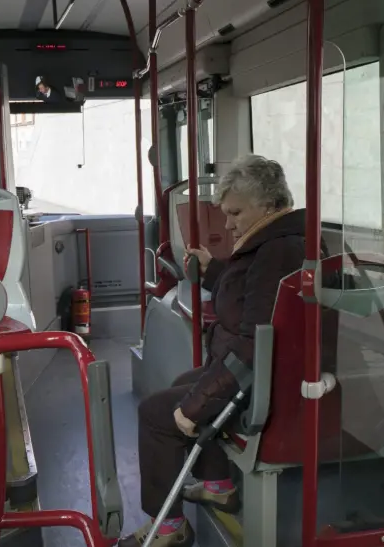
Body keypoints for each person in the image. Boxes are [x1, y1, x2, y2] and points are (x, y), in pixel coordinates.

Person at [119, 154, 309, 547]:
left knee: (156, 414)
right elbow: (251, 296)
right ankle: (218, 485)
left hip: (261, 382)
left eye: (235, 213)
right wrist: (215, 270)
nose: (228, 224)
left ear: (268, 204)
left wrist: (195, 407)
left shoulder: (276, 252)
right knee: (184, 381)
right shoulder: (279, 241)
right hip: (266, 372)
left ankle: (169, 529)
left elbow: (252, 343)